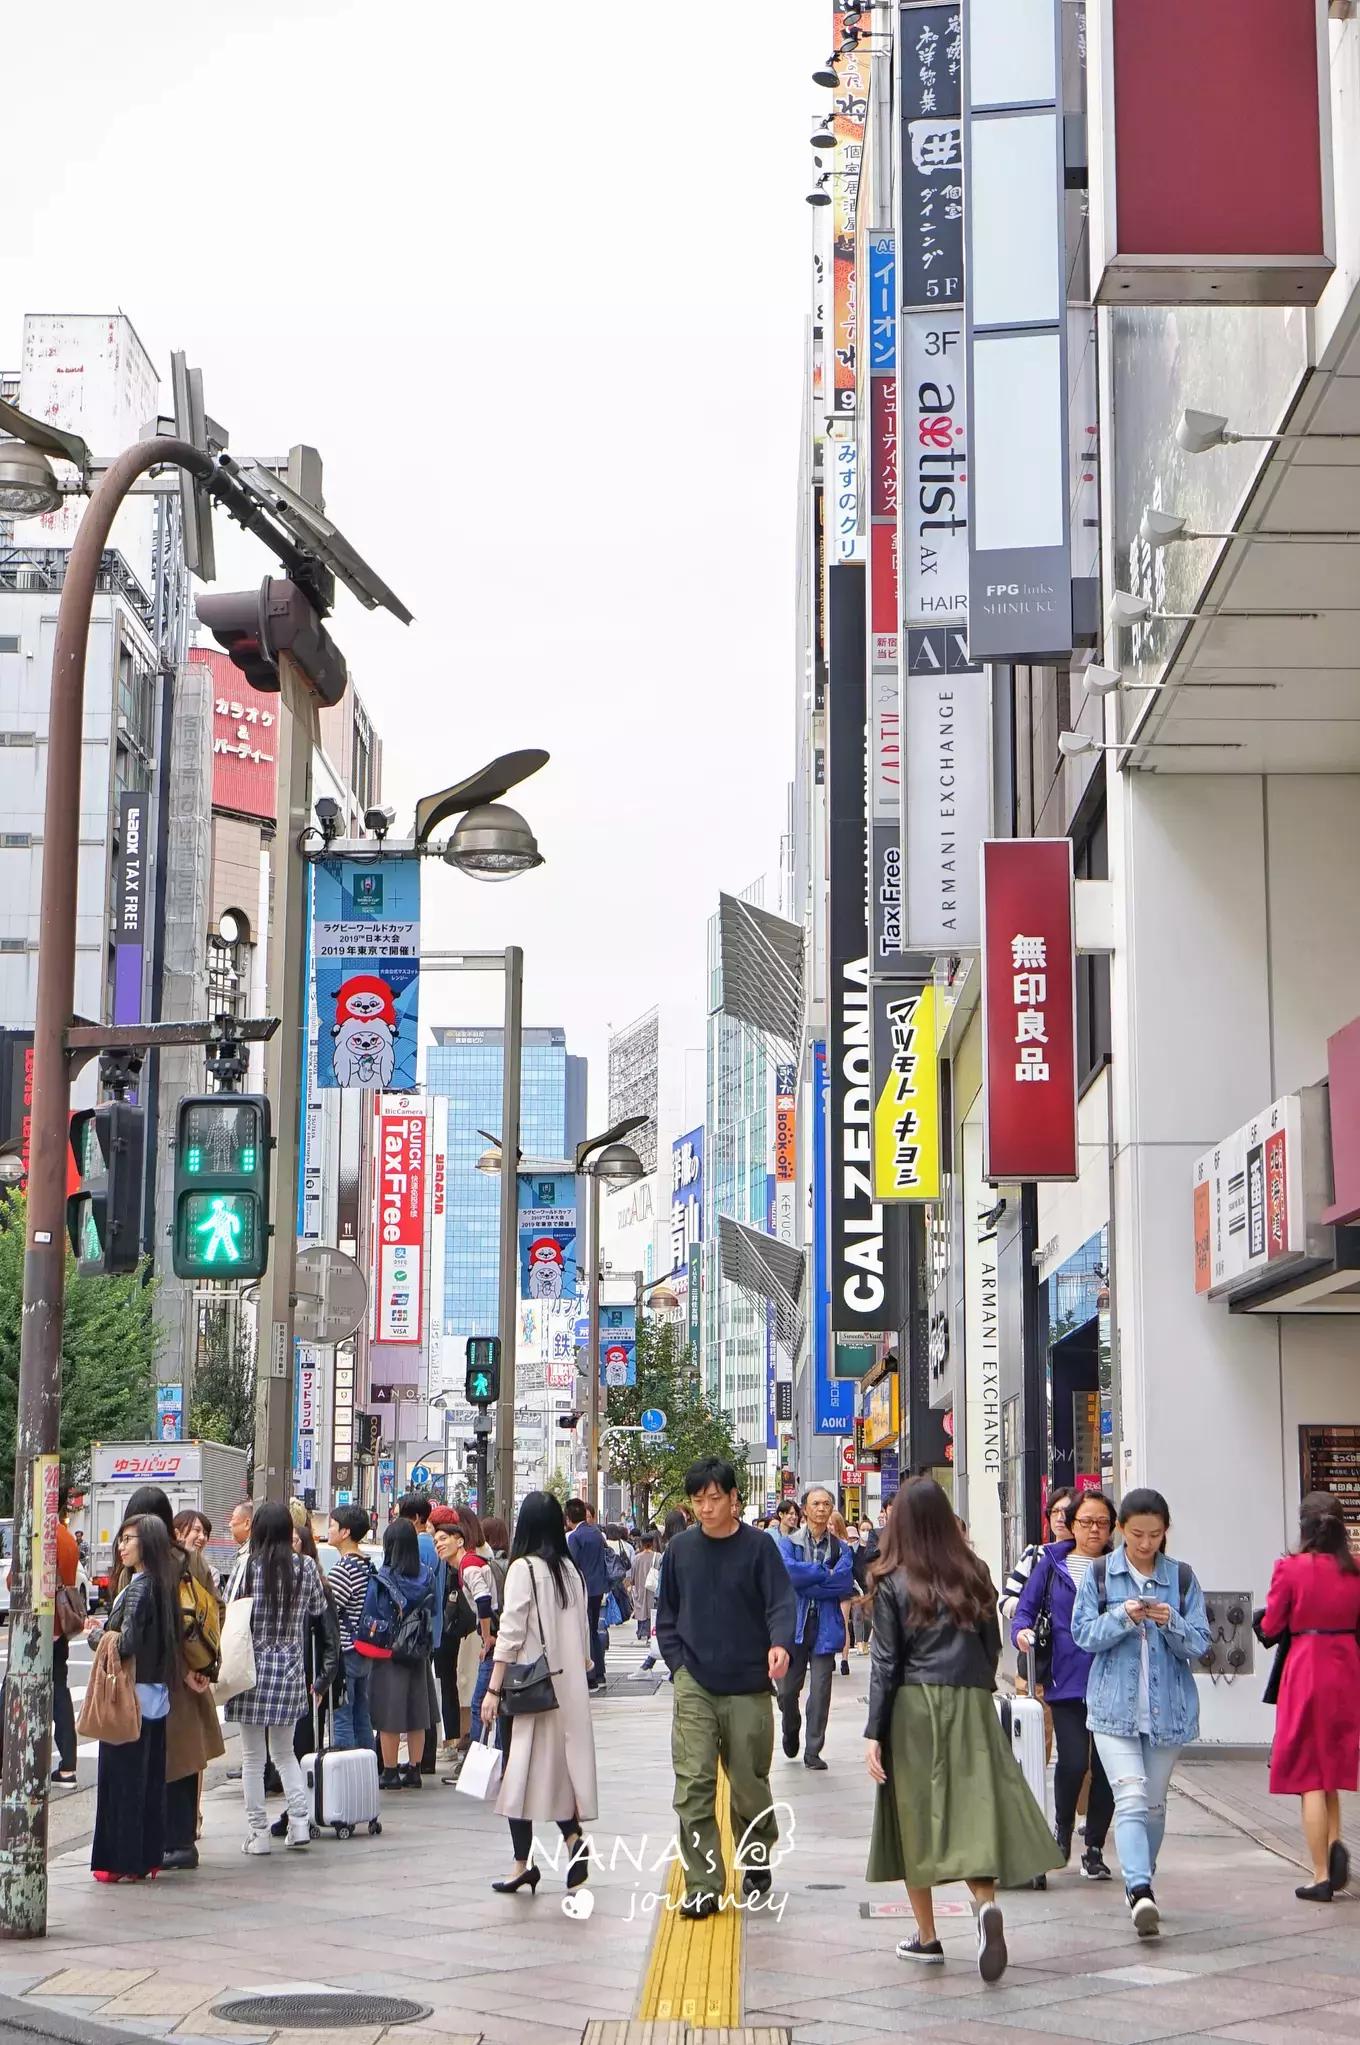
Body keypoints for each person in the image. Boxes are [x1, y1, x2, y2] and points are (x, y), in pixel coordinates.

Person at [865, 1478, 1061, 1980]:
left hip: (914, 1706)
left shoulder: (890, 1577)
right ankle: (984, 1903)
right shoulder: (974, 1572)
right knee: (972, 1808)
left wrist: (874, 1732)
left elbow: (885, 1663)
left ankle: (928, 1938)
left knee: (913, 1816)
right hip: (971, 1701)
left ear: (899, 1521)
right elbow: (992, 1647)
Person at [655, 1456, 796, 1920]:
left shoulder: (759, 1548)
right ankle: (703, 1883)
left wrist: (779, 1645)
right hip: (694, 1680)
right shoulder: (680, 1550)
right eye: (699, 1500)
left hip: (749, 1682)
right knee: (694, 1783)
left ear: (735, 1498)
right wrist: (678, 1666)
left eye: (715, 1498)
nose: (707, 1508)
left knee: (748, 1783)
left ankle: (755, 1854)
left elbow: (780, 1602)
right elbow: (667, 1616)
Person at [1071, 1487, 1210, 1938]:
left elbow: (1202, 1644)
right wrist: (1123, 1618)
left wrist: (1174, 1623)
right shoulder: (1100, 1575)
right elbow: (1083, 1635)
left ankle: (1142, 1877)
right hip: (1113, 1708)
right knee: (1130, 1798)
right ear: (1121, 1531)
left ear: (1165, 1531)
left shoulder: (1182, 1577)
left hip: (1167, 1710)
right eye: (1136, 1534)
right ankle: (1139, 1889)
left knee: (1153, 1806)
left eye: (1154, 1534)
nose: (1146, 1544)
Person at [482, 1490, 596, 1898]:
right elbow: (583, 1637)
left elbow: (510, 1635)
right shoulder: (571, 1571)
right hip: (567, 1690)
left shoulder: (523, 1570)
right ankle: (572, 1840)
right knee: (558, 1773)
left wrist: (493, 1688)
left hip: (530, 1689)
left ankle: (521, 1865)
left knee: (519, 1777)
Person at [1011, 1489, 1117, 1879]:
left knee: (1107, 1769)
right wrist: (1022, 1634)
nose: (1094, 1529)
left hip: (1112, 1682)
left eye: (1102, 1522)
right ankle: (1062, 1832)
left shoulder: (1118, 1565)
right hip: (1067, 1680)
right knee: (1073, 1762)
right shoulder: (1052, 1563)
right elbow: (1024, 1611)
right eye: (1086, 1521)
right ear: (1070, 1524)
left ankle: (1094, 1848)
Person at [1260, 1490, 1360, 1902]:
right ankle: (1335, 1846)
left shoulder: (1290, 1569)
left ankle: (1320, 1874)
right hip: (1346, 1666)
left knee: (1309, 1776)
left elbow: (1271, 1625)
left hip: (1306, 1666)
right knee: (1331, 1766)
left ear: (1304, 1526)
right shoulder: (1355, 1570)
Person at [225, 1500, 334, 1853]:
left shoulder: (247, 1566)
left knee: (253, 1758)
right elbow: (319, 1610)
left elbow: (230, 1607)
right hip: (289, 1664)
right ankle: (300, 1822)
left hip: (252, 1667)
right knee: (285, 1753)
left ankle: (258, 1834)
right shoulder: (305, 1567)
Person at [89, 1514, 180, 1883]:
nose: (121, 1546)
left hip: (130, 1699)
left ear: (147, 1544)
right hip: (156, 1695)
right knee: (149, 1780)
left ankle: (120, 1860)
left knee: (121, 1780)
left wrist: (99, 1637)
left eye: (128, 1539)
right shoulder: (164, 1583)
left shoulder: (140, 1587)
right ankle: (146, 1857)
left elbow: (126, 1643)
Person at [776, 1485, 855, 1771]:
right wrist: (823, 1574)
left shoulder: (841, 1548)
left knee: (821, 1691)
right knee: (786, 1691)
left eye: (826, 1504)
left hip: (825, 1627)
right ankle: (790, 1725)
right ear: (804, 1510)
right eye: (816, 1504)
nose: (821, 1509)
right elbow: (789, 1576)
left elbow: (843, 1584)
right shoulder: (788, 1544)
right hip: (793, 1625)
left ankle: (813, 1749)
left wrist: (810, 1582)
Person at [367, 1516, 436, 1789]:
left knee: (390, 1715)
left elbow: (374, 1615)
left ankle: (391, 1771)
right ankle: (415, 1770)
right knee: (417, 1712)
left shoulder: (383, 1578)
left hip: (390, 1653)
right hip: (418, 1651)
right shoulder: (427, 1575)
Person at [326, 1504, 374, 1750]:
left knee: (341, 1714)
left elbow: (326, 1610)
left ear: (345, 1532)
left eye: (332, 1525)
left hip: (345, 1651)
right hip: (363, 1648)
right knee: (360, 1713)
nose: (329, 1530)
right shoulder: (368, 1565)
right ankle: (366, 1770)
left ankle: (344, 1769)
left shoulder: (344, 1569)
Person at [999, 1489, 1077, 1623]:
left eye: (1066, 1511)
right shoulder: (1034, 1555)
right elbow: (1005, 1601)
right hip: (1043, 1639)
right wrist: (1032, 1610)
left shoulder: (1092, 1556)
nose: (1060, 1518)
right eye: (1055, 1511)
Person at [564, 1497, 610, 1690]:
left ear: (568, 1518)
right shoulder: (597, 1533)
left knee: (586, 1629)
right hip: (599, 1586)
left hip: (583, 1587)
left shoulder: (575, 1537)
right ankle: (599, 1672)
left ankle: (590, 1673)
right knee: (592, 1629)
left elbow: (571, 1563)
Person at [51, 1489, 81, 1786]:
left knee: (10, 1693)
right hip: (60, 1625)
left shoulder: (42, 1536)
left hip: (38, 1626)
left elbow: (14, 1580)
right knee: (60, 1690)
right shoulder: (68, 1537)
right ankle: (69, 1765)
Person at [629, 1533, 657, 1641]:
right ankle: (651, 1631)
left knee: (640, 1609)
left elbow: (632, 1575)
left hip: (640, 1587)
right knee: (651, 1609)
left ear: (641, 1543)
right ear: (653, 1543)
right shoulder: (657, 1556)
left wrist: (632, 1583)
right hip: (653, 1588)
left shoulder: (637, 1558)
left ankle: (641, 1631)